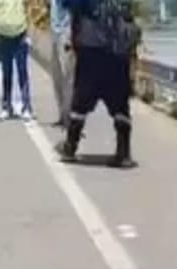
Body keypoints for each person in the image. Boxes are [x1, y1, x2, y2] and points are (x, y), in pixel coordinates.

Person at [56, 0, 139, 168]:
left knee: (80, 102)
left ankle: (70, 148)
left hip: (91, 50)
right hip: (118, 52)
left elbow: (66, 4)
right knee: (120, 105)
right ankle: (123, 153)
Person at [0, 0, 34, 121]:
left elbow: (29, 8)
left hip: (20, 33)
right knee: (7, 72)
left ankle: (26, 107)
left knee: (22, 72)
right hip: (3, 34)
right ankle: (6, 107)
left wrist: (28, 33)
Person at [50, 0, 74, 126]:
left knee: (67, 79)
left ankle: (68, 117)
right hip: (55, 34)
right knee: (57, 77)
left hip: (65, 34)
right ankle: (62, 114)